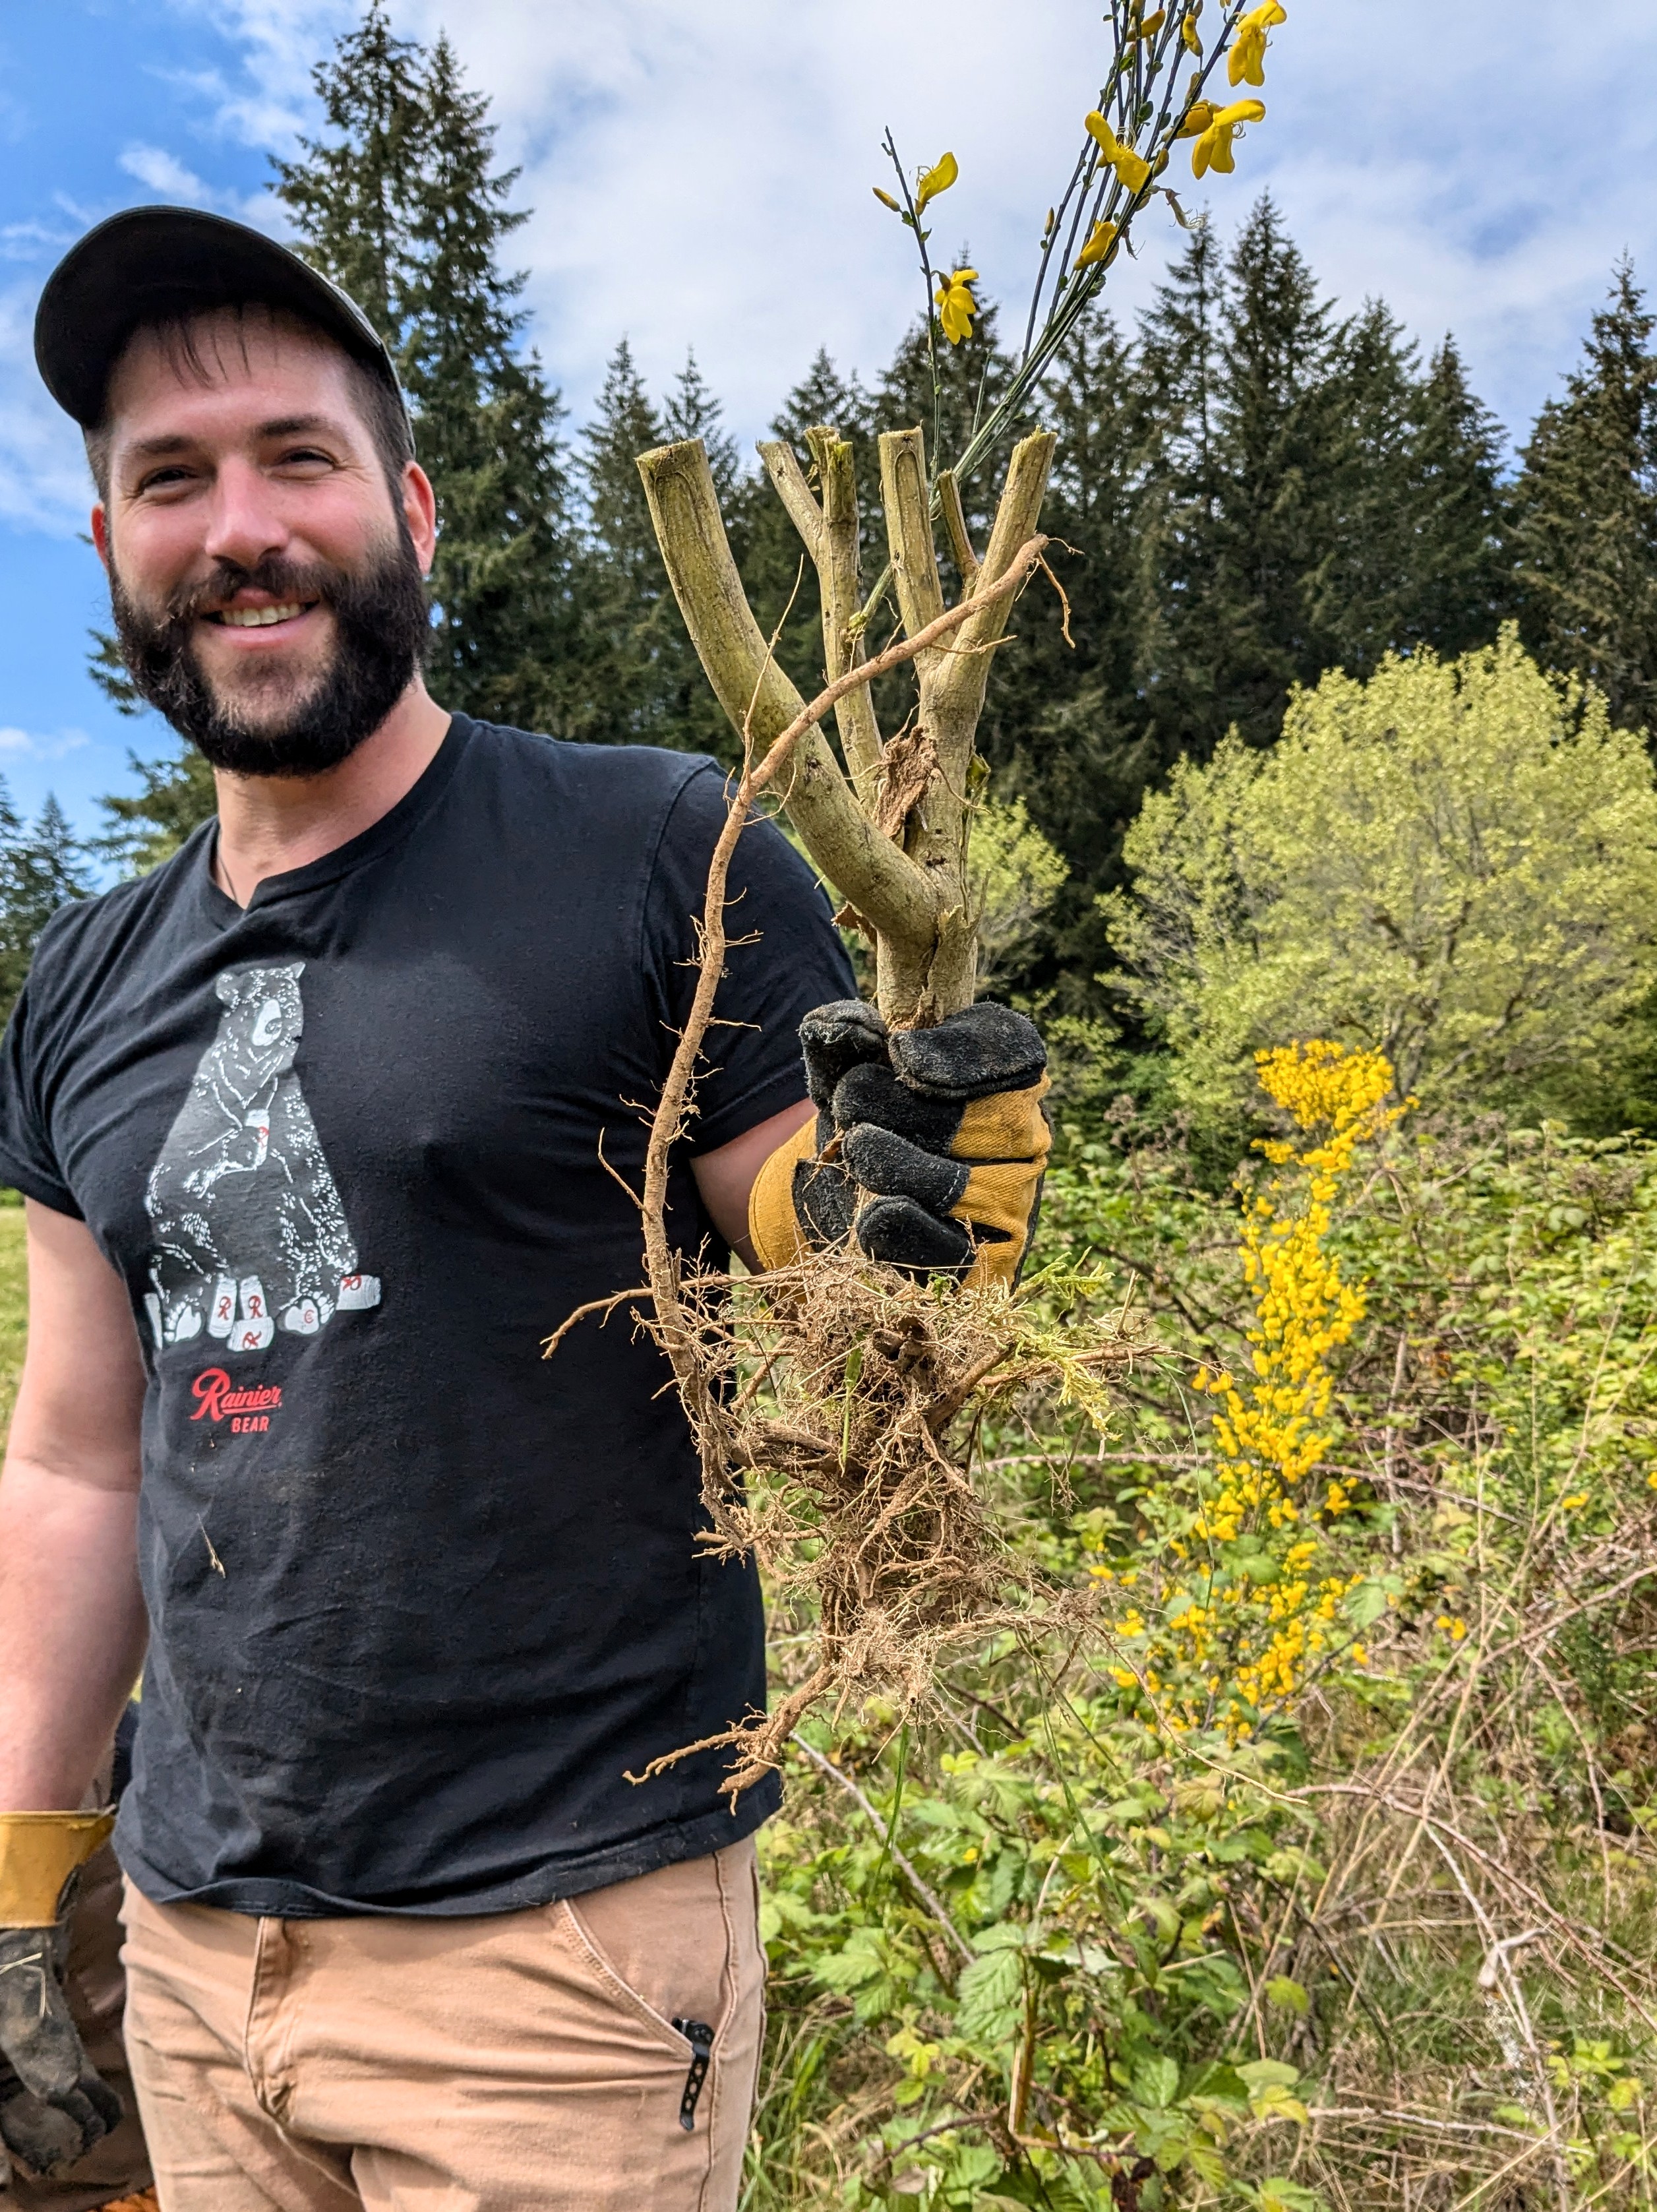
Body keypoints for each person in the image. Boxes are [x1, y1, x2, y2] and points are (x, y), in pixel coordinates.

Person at [0, 208, 1050, 2212]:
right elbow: (67, 1453)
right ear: (113, 551)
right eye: (168, 479)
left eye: (295, 458)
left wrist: (916, 1206)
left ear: (404, 505)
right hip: (193, 1951)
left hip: (554, 1952)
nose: (239, 525)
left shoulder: (651, 844)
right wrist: (18, 1862)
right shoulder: (84, 980)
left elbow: (808, 1222)